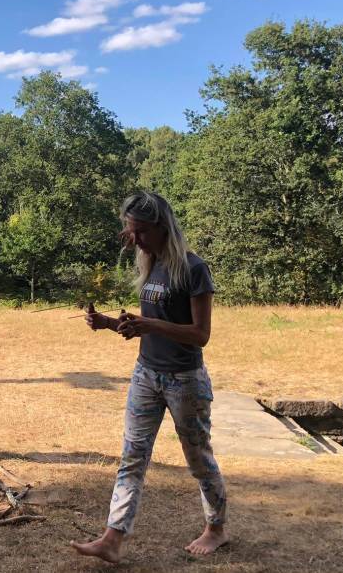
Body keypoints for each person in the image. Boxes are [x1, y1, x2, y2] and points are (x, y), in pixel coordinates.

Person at [71, 192, 229, 562]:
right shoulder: (150, 262)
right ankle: (112, 538)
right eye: (131, 231)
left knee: (197, 458)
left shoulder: (193, 269)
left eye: (140, 231)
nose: (134, 238)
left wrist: (150, 324)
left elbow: (200, 334)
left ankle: (216, 529)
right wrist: (111, 324)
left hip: (184, 380)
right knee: (132, 457)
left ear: (162, 227)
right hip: (146, 374)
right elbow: (146, 328)